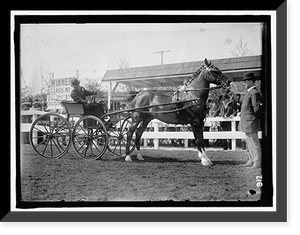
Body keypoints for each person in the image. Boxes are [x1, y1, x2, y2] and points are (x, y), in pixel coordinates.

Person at [240, 72, 262, 169]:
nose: (244, 83)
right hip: (247, 122)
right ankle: (250, 160)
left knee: (253, 143)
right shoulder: (249, 92)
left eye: (246, 81)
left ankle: (257, 162)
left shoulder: (254, 93)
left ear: (251, 81)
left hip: (250, 121)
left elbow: (256, 108)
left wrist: (254, 119)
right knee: (249, 143)